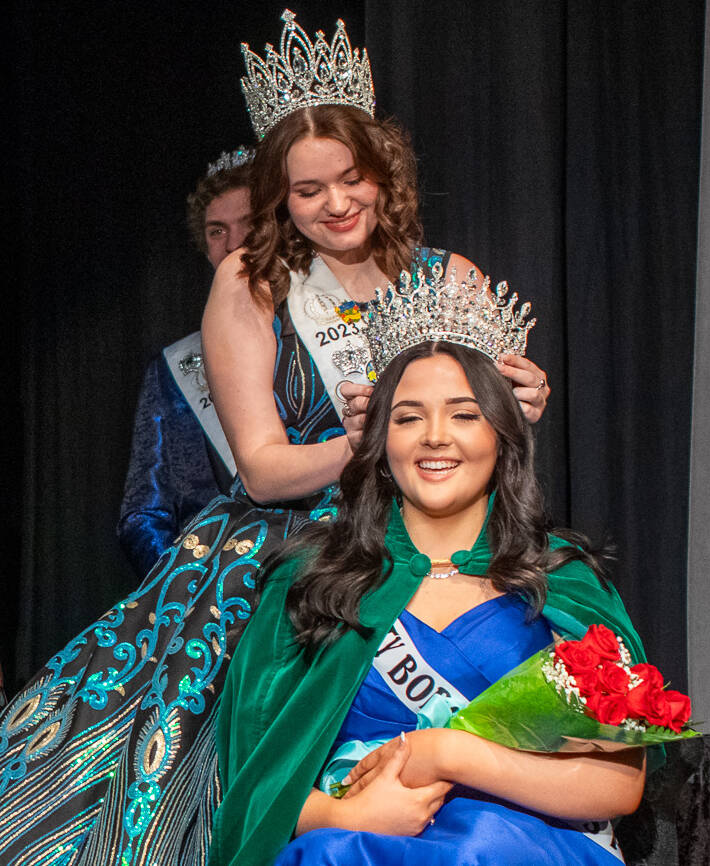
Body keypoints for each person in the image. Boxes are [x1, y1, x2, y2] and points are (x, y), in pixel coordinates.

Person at [0, 11, 551, 864]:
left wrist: (518, 402)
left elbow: (482, 430)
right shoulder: (251, 282)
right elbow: (260, 469)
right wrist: (365, 447)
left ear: (383, 171)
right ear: (277, 199)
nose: (336, 204)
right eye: (306, 190)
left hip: (431, 531)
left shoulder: (452, 277)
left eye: (351, 178)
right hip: (284, 540)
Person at [211, 337, 647, 866]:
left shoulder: (560, 578)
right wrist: (342, 818)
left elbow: (619, 785)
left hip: (522, 848)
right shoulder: (312, 579)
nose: (435, 438)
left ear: (502, 434)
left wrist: (450, 753)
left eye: (464, 415)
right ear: (379, 439)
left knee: (478, 847)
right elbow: (252, 783)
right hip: (349, 848)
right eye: (408, 418)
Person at [118, 147, 253, 576]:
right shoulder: (173, 369)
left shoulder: (324, 337)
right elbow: (142, 515)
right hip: (217, 599)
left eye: (249, 224)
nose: (235, 245)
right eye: (217, 231)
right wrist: (191, 593)